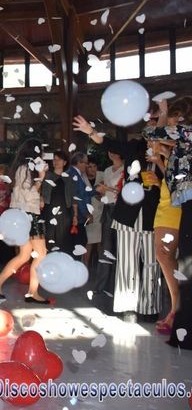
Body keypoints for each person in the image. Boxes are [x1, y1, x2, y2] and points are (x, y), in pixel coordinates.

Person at [73, 115, 162, 321]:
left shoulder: (169, 150)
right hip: (127, 213)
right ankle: (127, 306)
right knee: (127, 262)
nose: (152, 125)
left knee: (151, 262)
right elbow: (109, 143)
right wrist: (91, 131)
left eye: (157, 121)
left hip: (153, 213)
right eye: (150, 121)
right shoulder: (134, 147)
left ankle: (149, 309)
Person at [142, 96, 192, 347]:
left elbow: (150, 133)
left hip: (179, 206)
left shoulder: (184, 136)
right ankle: (177, 313)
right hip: (173, 201)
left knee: (175, 261)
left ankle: (178, 314)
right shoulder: (180, 145)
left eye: (173, 118)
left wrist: (161, 112)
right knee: (174, 262)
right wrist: (162, 160)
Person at [0, 139, 49, 304]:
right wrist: (41, 178)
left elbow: (25, 194)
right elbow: (28, 195)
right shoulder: (25, 169)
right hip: (29, 216)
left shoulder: (23, 168)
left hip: (25, 214)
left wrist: (39, 196)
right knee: (41, 254)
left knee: (25, 255)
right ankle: (32, 293)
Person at [93, 149, 124, 296]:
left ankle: (116, 285)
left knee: (119, 247)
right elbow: (105, 192)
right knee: (106, 247)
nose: (111, 153)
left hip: (120, 208)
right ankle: (101, 285)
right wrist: (102, 191)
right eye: (109, 151)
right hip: (108, 207)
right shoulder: (106, 170)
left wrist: (108, 189)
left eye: (114, 151)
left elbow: (124, 191)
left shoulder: (126, 168)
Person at [41, 150, 76, 254]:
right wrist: (41, 198)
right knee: (50, 238)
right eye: (54, 159)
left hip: (65, 212)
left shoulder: (69, 179)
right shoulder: (47, 176)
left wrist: (75, 215)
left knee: (64, 239)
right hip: (49, 211)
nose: (56, 161)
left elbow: (73, 198)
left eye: (59, 159)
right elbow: (39, 190)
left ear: (65, 162)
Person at [68, 152, 93, 253]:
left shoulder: (73, 173)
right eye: (86, 163)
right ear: (79, 162)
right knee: (79, 244)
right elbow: (78, 197)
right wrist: (86, 214)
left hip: (75, 215)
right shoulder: (74, 174)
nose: (87, 166)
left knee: (78, 244)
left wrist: (96, 190)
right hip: (77, 216)